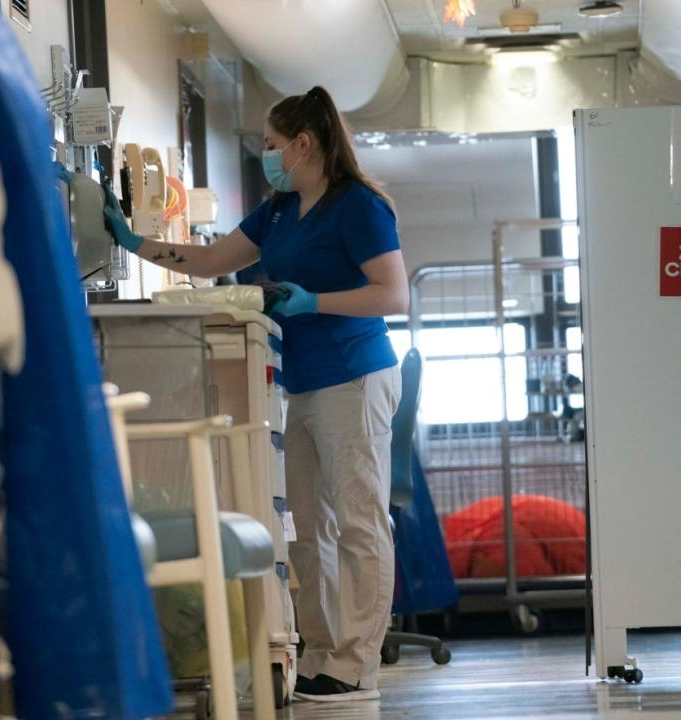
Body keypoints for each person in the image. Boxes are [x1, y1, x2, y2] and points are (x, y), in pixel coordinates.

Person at [103, 86, 408, 702]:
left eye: (272, 146)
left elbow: (393, 295)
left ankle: (356, 663)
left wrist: (314, 301)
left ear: (304, 143)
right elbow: (215, 258)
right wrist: (134, 243)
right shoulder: (277, 211)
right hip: (304, 382)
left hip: (355, 376)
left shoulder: (359, 207)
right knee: (308, 526)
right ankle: (321, 653)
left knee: (357, 522)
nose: (268, 156)